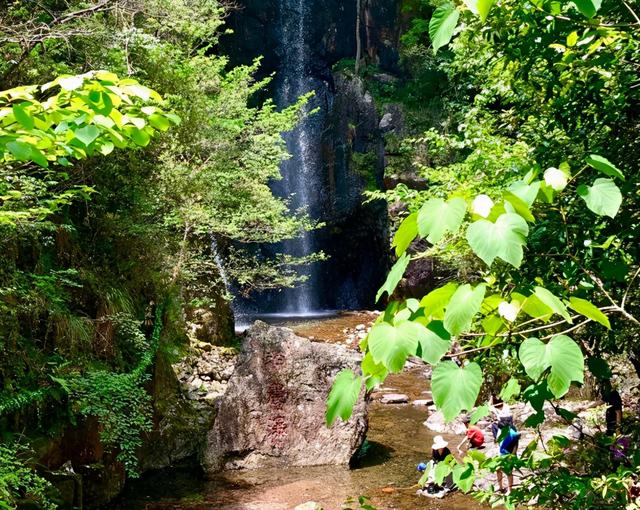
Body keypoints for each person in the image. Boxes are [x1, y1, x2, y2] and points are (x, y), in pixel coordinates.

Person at [491, 405, 520, 494]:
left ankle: (510, 490)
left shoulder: (512, 430)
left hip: (508, 453)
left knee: (508, 472)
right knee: (498, 469)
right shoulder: (500, 427)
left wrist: (513, 454)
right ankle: (500, 487)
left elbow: (516, 443)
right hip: (501, 452)